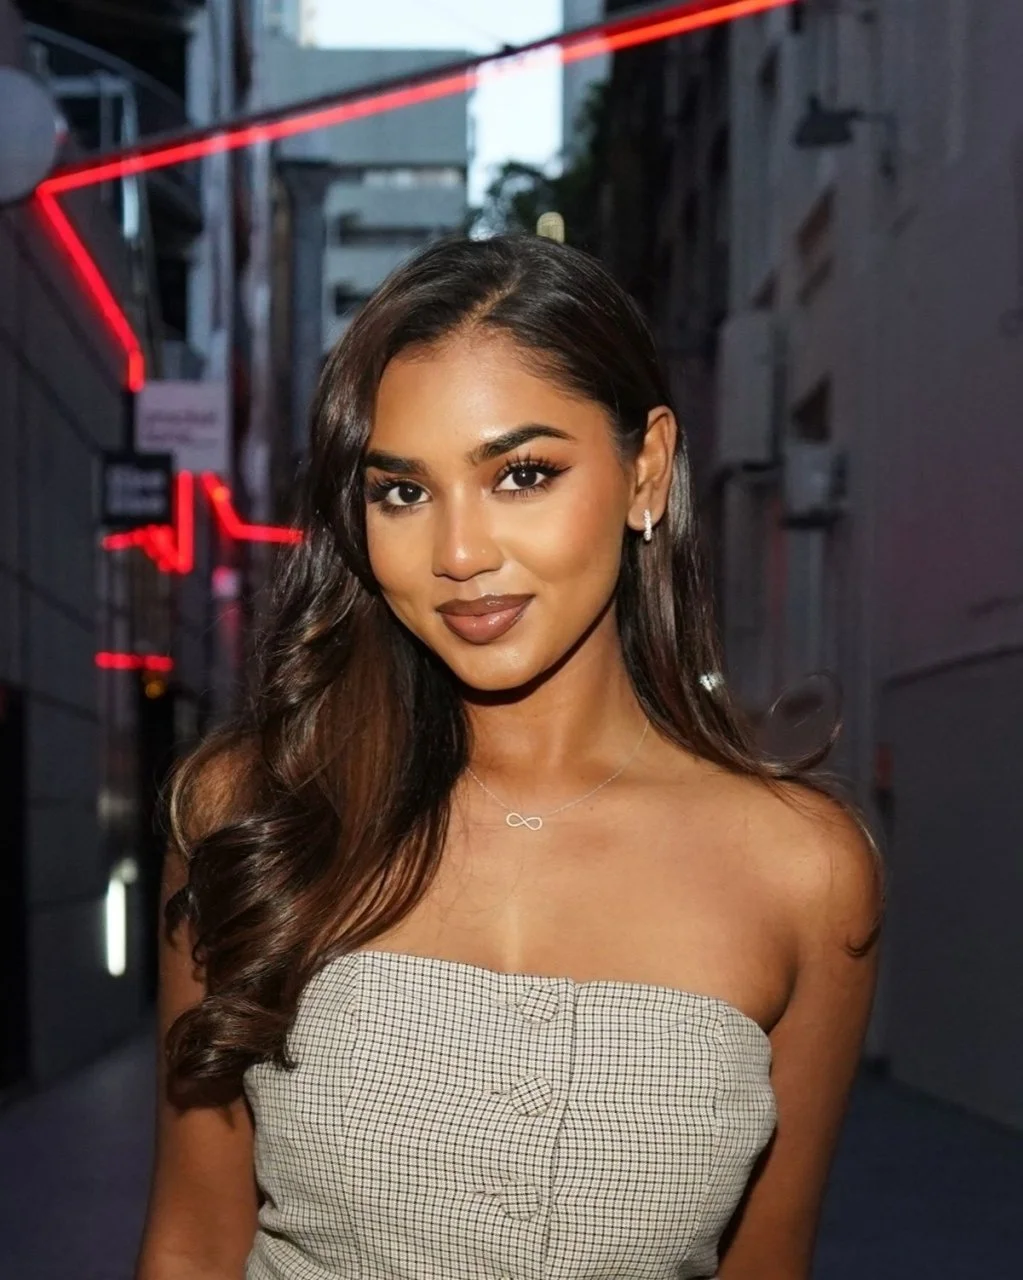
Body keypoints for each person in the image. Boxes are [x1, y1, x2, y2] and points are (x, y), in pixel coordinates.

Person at [135, 234, 881, 1280]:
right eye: (402, 490)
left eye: (522, 473)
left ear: (646, 470)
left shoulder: (803, 869)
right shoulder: (256, 813)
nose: (459, 552)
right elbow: (190, 1243)